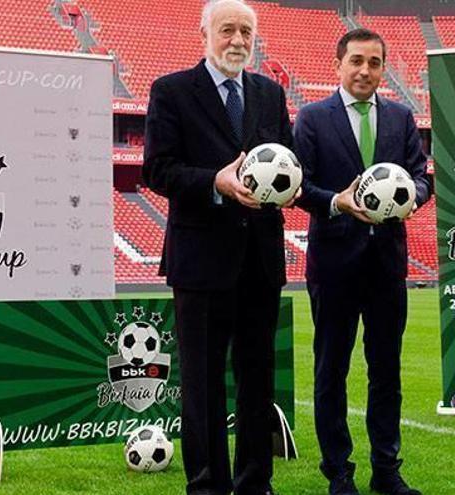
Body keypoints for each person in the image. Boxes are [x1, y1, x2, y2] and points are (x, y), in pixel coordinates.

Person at [142, 1, 294, 494]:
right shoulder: (171, 91)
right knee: (203, 383)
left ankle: (255, 483)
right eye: (227, 29)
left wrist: (289, 185)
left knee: (257, 379)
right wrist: (215, 182)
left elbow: (286, 160)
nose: (238, 40)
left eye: (246, 31)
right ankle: (207, 485)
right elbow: (157, 169)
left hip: (260, 261)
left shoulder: (270, 93)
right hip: (201, 262)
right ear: (204, 33)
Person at [293, 28, 430, 495]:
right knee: (331, 370)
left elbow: (420, 176)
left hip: (386, 264)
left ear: (383, 68)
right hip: (333, 264)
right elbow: (298, 186)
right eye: (356, 61)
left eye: (374, 62)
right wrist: (337, 202)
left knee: (386, 370)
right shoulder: (313, 118)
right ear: (339, 65)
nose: (365, 70)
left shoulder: (400, 117)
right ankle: (338, 471)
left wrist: (412, 197)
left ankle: (386, 470)